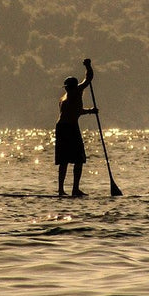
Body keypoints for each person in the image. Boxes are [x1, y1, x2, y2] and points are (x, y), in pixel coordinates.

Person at [55, 58, 98, 196]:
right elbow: (89, 78)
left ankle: (69, 189)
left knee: (67, 160)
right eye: (66, 87)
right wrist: (88, 66)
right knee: (75, 159)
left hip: (64, 127)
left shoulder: (65, 97)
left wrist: (90, 111)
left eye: (68, 87)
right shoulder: (75, 91)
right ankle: (67, 190)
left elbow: (76, 112)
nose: (67, 89)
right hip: (69, 128)